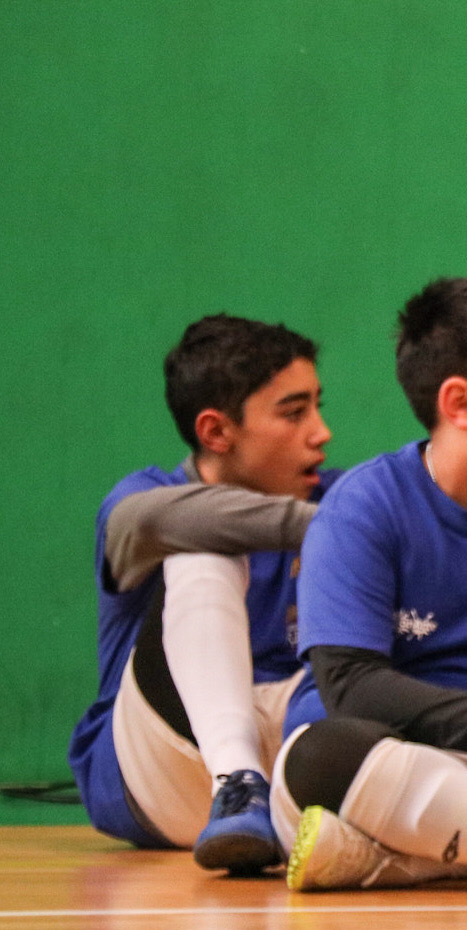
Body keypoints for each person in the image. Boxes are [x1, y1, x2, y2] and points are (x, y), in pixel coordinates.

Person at [270, 277, 467, 890]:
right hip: (395, 758)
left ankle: (408, 857)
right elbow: (353, 689)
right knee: (320, 756)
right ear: (460, 404)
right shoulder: (363, 506)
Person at [68, 314, 336, 873]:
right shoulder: (145, 502)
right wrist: (351, 530)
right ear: (216, 431)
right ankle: (237, 780)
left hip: (297, 745)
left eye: (317, 405)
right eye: (293, 412)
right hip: (165, 763)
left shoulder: (340, 496)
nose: (321, 431)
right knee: (201, 548)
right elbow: (153, 523)